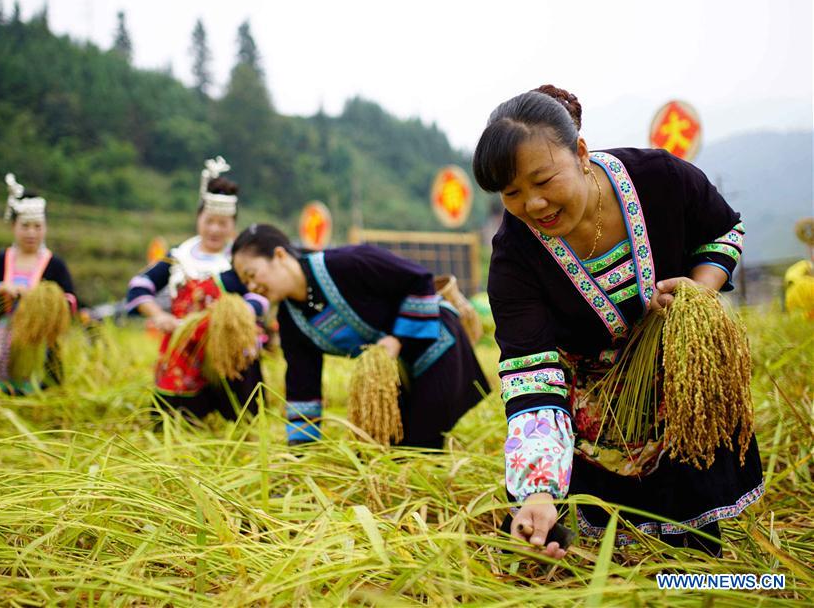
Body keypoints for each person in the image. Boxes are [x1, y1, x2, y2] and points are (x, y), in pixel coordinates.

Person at [473, 85, 763, 558]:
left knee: (694, 545)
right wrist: (539, 492)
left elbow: (723, 228)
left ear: (581, 153)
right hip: (598, 398)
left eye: (544, 180)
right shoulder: (515, 257)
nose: (534, 205)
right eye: (512, 193)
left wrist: (698, 291)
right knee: (606, 543)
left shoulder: (659, 178)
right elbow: (531, 374)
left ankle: (697, 558)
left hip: (678, 370)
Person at [230, 223, 489, 448]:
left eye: (251, 275)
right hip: (392, 372)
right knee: (386, 448)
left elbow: (418, 279)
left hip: (435, 342)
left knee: (421, 445)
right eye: (246, 283)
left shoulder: (347, 262)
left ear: (279, 255)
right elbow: (302, 386)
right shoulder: (290, 320)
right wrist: (300, 451)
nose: (252, 287)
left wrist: (397, 339)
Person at [125, 157, 267, 421]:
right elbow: (138, 287)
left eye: (222, 223)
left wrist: (235, 314)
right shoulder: (179, 257)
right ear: (198, 218)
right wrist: (158, 315)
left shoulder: (240, 260)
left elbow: (260, 296)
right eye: (209, 220)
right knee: (178, 422)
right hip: (184, 349)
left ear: (233, 225)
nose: (215, 229)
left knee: (239, 420)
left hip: (229, 351)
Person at [0, 173, 77, 393]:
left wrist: (42, 301)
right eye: (25, 226)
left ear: (45, 228)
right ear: (13, 227)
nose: (31, 233)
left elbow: (71, 302)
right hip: (1, 341)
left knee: (37, 396)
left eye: (37, 227)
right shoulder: (0, 260)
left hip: (40, 342)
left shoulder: (54, 265)